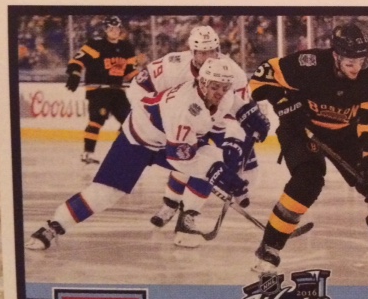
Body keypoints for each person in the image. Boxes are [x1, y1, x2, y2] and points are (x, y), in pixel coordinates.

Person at [25, 57, 249, 250]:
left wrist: (249, 113)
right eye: (215, 87)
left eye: (224, 87)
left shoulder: (222, 97)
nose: (220, 93)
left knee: (213, 158)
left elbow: (233, 109)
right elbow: (179, 158)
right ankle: (53, 227)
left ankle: (186, 222)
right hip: (138, 141)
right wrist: (218, 173)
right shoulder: (184, 107)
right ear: (203, 82)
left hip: (167, 138)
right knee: (106, 193)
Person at [248, 23, 368, 273]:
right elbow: (260, 78)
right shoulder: (308, 65)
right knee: (308, 181)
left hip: (344, 134)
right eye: (350, 62)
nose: (356, 68)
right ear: (336, 56)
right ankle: (269, 246)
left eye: (362, 61)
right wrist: (282, 103)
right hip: (301, 128)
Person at [127, 25, 269, 229]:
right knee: (189, 161)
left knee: (222, 167)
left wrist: (234, 139)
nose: (207, 56)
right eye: (202, 52)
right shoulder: (175, 65)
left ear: (218, 49)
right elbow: (142, 86)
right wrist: (149, 118)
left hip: (220, 124)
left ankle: (190, 213)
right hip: (189, 122)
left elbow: (239, 110)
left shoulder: (232, 72)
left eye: (211, 51)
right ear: (192, 51)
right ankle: (171, 204)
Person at [65, 15, 138, 164]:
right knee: (96, 121)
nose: (114, 31)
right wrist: (75, 74)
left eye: (117, 28)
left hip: (117, 91)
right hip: (98, 91)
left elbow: (130, 72)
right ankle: (87, 153)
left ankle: (119, 151)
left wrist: (142, 83)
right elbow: (77, 60)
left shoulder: (126, 47)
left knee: (130, 121)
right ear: (105, 30)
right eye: (111, 28)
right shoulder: (95, 44)